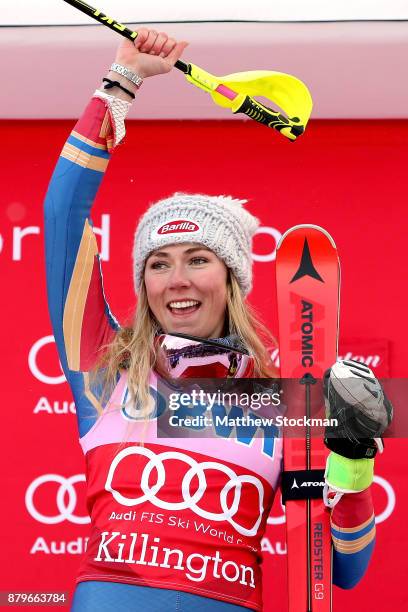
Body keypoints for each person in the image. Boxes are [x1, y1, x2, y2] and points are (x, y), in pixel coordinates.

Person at [44, 28, 392, 612]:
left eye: (198, 260)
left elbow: (342, 572)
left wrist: (353, 461)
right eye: (158, 264)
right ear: (144, 285)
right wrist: (120, 82)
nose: (176, 279)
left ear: (233, 280)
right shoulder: (104, 369)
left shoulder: (284, 400)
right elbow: (61, 216)